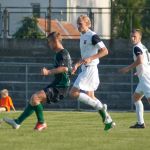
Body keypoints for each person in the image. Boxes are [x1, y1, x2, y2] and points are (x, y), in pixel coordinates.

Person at [3, 31, 72, 131]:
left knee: (35, 98)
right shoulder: (61, 53)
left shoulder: (62, 53)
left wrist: (48, 72)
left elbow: (64, 68)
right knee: (33, 100)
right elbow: (68, 69)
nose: (49, 44)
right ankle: (17, 122)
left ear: (55, 41)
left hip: (60, 87)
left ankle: (41, 122)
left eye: (49, 42)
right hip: (58, 85)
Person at [70, 15, 115, 131]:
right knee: (91, 96)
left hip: (90, 69)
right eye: (78, 23)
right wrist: (76, 65)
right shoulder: (82, 36)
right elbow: (85, 57)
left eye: (80, 23)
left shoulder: (92, 36)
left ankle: (100, 107)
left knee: (73, 93)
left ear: (87, 24)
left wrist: (91, 58)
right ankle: (108, 120)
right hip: (85, 68)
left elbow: (105, 51)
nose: (78, 26)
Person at [119, 29, 150, 128]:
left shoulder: (136, 47)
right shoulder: (143, 47)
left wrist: (128, 68)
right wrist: (139, 71)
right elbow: (146, 61)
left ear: (139, 37)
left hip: (146, 78)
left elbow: (140, 60)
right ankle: (140, 123)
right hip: (144, 76)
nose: (132, 38)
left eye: (134, 36)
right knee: (136, 98)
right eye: (131, 36)